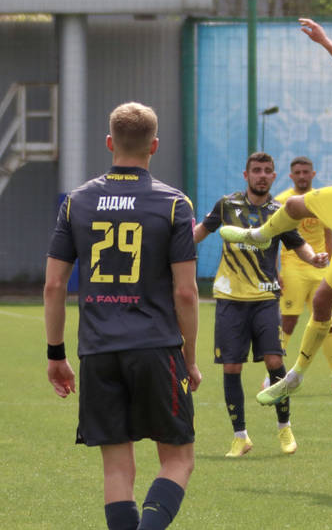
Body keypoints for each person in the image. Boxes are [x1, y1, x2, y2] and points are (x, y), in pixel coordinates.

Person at [219, 17, 332, 405]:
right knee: (296, 203)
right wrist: (325, 41)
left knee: (321, 303)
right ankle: (258, 235)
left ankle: (295, 375)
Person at [43, 102, 201, 530]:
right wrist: (189, 360)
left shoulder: (76, 203)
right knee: (178, 459)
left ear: (110, 143)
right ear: (155, 146)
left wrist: (55, 353)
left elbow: (55, 285)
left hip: (97, 351)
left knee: (116, 469)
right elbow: (185, 292)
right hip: (155, 347)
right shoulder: (174, 205)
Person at [193, 151, 328, 457]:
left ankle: (285, 429)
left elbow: (299, 245)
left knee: (274, 362)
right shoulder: (226, 205)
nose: (262, 175)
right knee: (231, 366)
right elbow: (199, 234)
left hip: (266, 298)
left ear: (274, 176)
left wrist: (314, 257)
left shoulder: (279, 212)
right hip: (230, 298)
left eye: (268, 170)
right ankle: (240, 437)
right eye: (256, 170)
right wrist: (173, 241)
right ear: (246, 175)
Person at [274, 156, 332, 395]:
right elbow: (274, 238)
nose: (301, 176)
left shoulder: (321, 200)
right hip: (293, 267)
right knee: (288, 321)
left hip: (320, 268)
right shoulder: (282, 201)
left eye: (305, 172)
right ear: (291, 176)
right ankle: (273, 376)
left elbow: (329, 234)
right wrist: (276, 272)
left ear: (313, 174)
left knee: (329, 322)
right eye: (297, 172)